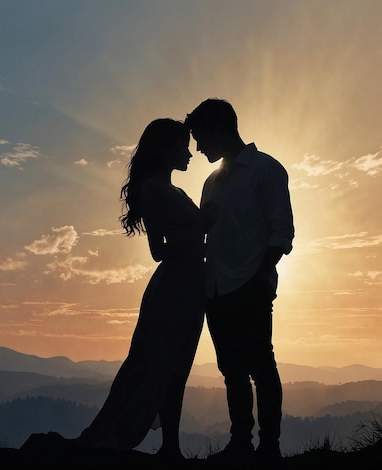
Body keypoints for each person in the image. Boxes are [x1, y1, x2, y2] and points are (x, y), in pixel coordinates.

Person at [75, 118, 213, 461]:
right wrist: (200, 231)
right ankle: (135, 437)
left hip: (191, 287)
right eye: (183, 146)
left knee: (178, 367)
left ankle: (171, 447)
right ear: (165, 149)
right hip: (173, 290)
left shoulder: (176, 190)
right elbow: (157, 251)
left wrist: (201, 236)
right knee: (158, 364)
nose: (189, 153)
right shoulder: (154, 189)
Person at [184, 99, 294, 462]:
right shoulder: (211, 183)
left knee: (261, 366)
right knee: (231, 370)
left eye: (201, 139)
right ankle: (241, 443)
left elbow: (282, 231)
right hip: (215, 288)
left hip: (249, 285)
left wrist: (260, 276)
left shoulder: (267, 170)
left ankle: (270, 447)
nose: (198, 148)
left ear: (220, 130)